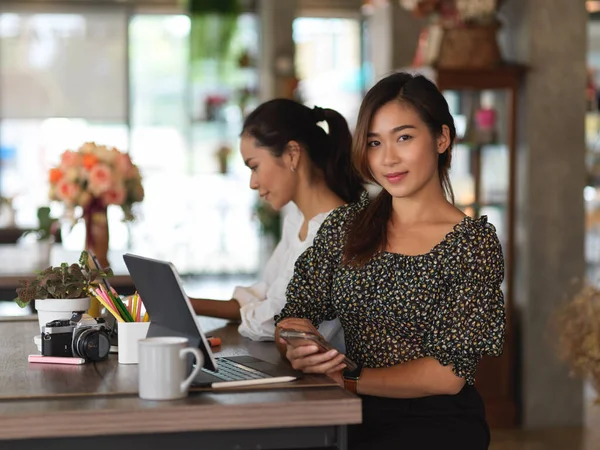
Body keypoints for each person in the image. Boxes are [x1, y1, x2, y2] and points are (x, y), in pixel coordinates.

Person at [275, 72, 506, 450]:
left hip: (437, 425)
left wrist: (349, 379)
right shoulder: (346, 225)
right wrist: (295, 345)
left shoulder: (472, 243)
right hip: (345, 412)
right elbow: (296, 312)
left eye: (404, 137)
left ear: (442, 138)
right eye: (374, 142)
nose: (388, 159)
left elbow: (447, 376)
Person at [190, 99, 363, 344]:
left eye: (255, 166)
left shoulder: (338, 231)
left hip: (323, 380)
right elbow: (266, 294)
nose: (253, 182)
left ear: (292, 154)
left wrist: (188, 305)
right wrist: (187, 304)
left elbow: (276, 318)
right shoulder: (296, 219)